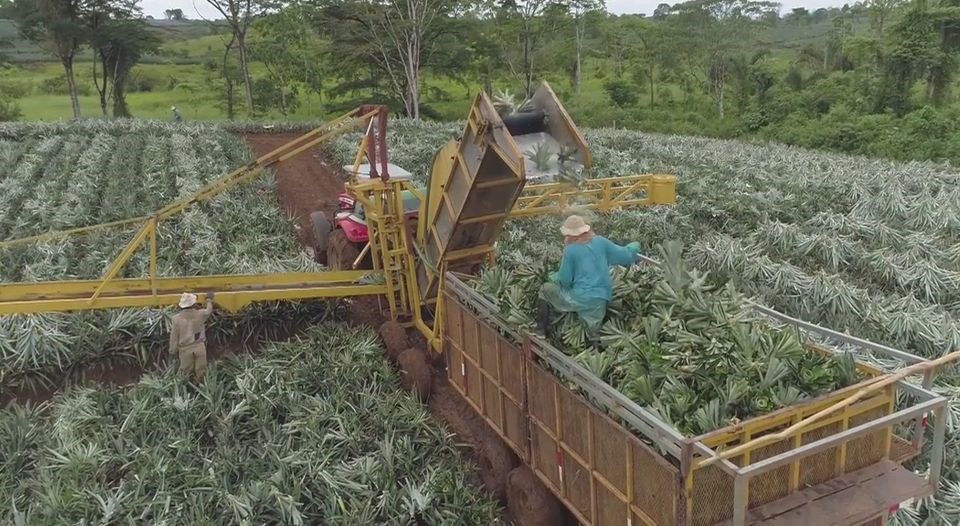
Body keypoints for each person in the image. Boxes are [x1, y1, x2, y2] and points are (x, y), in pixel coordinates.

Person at [536, 215, 640, 341]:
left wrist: (557, 278)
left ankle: (540, 329)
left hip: (580, 297)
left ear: (570, 235)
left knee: (544, 289)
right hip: (601, 297)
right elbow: (623, 256)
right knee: (593, 331)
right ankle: (597, 349)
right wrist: (632, 249)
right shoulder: (601, 241)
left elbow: (565, 280)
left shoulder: (571, 250)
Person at [169, 292, 214, 381]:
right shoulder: (200, 314)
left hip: (185, 348)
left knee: (185, 370)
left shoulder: (176, 319)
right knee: (201, 370)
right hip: (199, 346)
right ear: (194, 304)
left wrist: (172, 350)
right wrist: (209, 301)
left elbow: (174, 336)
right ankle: (201, 385)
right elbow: (209, 311)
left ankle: (184, 387)